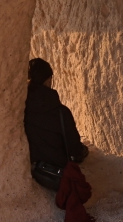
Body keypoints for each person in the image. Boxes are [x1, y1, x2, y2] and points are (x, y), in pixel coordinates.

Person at [24, 57, 88, 192]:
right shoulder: (61, 112)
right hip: (56, 173)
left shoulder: (20, 108)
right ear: (48, 80)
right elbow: (74, 149)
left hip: (34, 167)